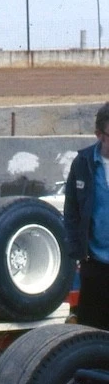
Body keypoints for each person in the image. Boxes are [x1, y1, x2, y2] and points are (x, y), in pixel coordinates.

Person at [64, 101, 109, 329]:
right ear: (99, 134)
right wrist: (77, 251)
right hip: (95, 264)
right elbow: (71, 211)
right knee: (92, 330)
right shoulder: (83, 163)